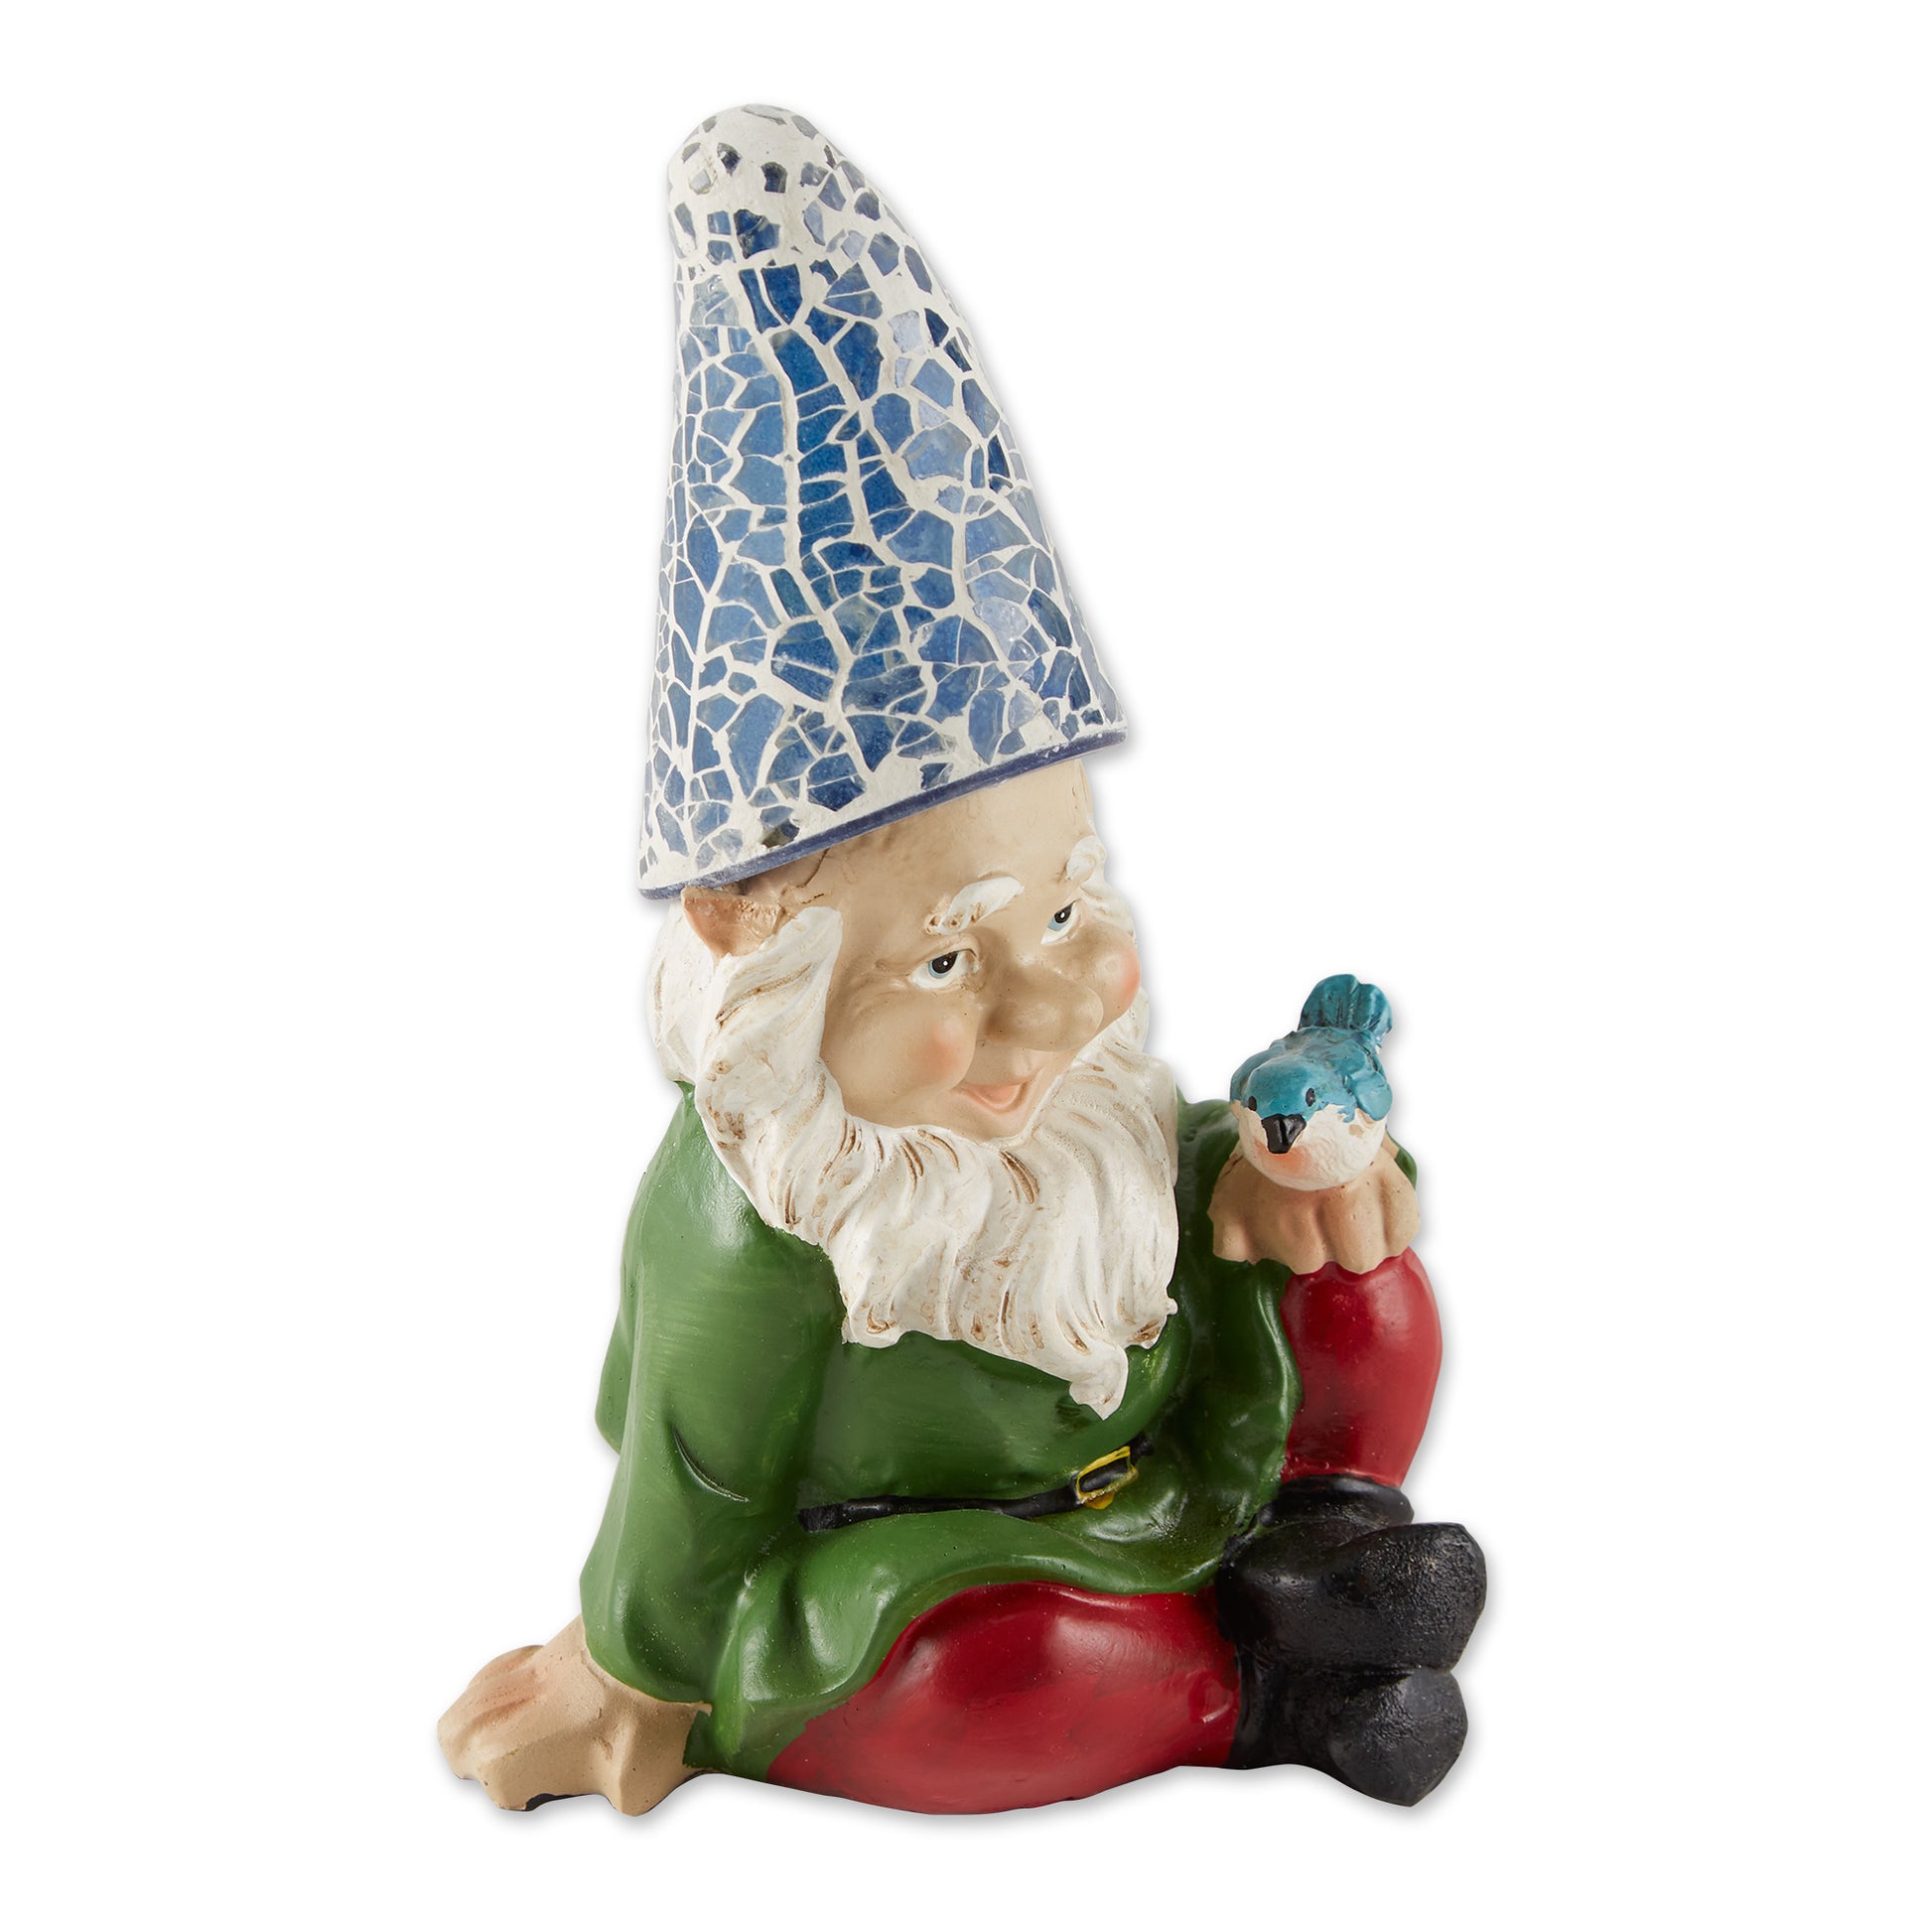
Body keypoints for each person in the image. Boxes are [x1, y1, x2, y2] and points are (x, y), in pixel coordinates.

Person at [438, 105, 1482, 1818]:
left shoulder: (1067, 1097)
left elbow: (1150, 1190)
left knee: (1355, 1278)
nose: (1053, 1005)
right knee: (987, 1674)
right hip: (928, 1558)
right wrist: (630, 1669)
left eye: (1066, 913)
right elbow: (696, 1477)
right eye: (941, 962)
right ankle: (1266, 1680)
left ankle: (1322, 1541)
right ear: (758, 965)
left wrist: (1272, 1182)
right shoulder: (757, 1213)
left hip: (1177, 1472)